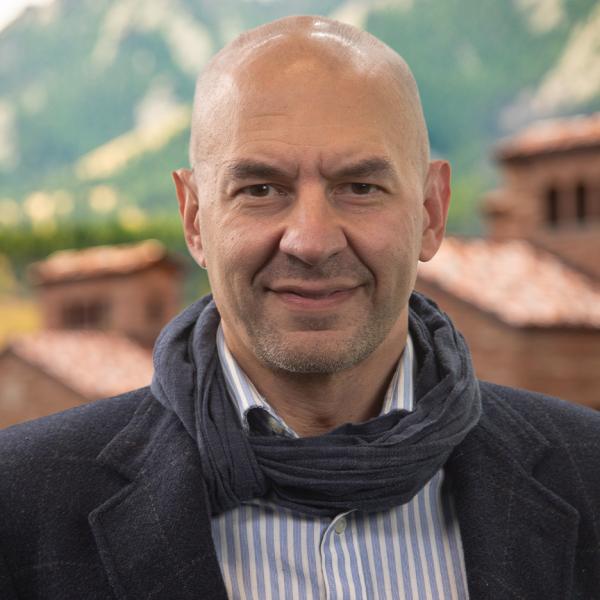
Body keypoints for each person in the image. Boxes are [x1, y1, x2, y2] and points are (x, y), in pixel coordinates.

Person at [1, 15, 599, 600]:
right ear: (194, 220)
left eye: (360, 187)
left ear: (431, 212)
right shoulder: (20, 501)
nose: (311, 241)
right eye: (260, 189)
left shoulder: (588, 472)